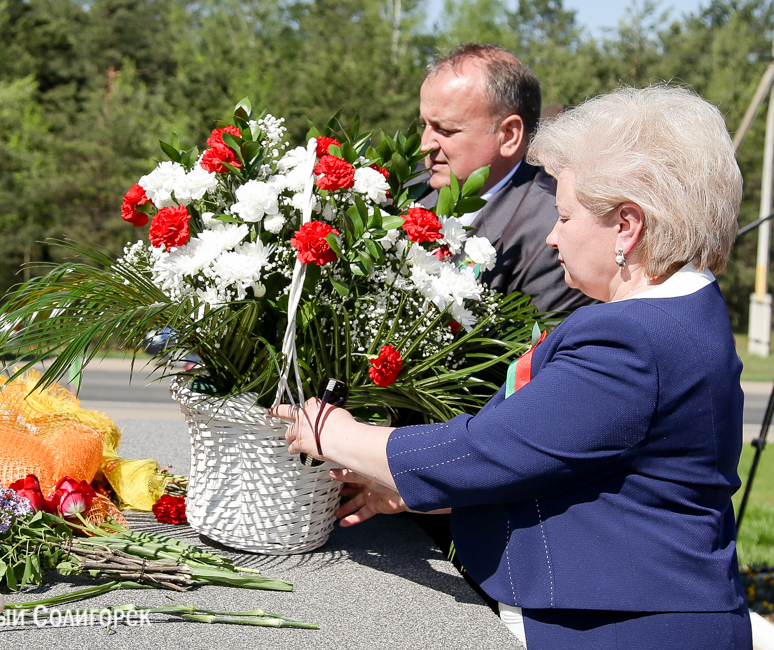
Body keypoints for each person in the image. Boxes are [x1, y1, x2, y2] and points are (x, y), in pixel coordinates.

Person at [273, 85, 749, 649]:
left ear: (628, 225)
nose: (552, 236)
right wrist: (412, 489)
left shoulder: (634, 340)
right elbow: (566, 457)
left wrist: (333, 431)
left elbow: (486, 450)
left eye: (566, 216)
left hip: (629, 629)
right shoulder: (678, 313)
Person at [416, 43, 594, 314]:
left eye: (446, 130)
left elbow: (538, 349)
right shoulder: (409, 191)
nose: (425, 145)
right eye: (425, 125)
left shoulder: (554, 233)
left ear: (509, 135)